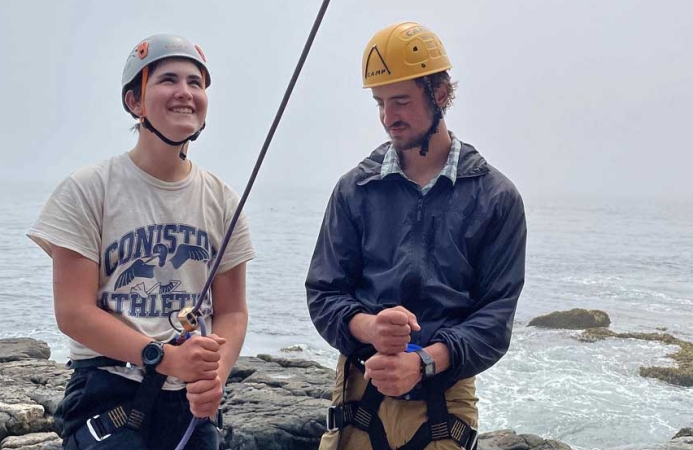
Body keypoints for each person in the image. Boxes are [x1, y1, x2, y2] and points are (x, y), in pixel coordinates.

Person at [28, 34, 255, 449]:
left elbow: (233, 311)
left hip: (187, 400)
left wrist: (214, 376)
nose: (185, 93)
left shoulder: (221, 199)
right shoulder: (88, 189)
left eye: (196, 83)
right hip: (108, 391)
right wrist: (166, 358)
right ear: (135, 101)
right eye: (169, 80)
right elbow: (73, 312)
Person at [306, 22, 526, 450]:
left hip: (446, 397)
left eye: (401, 100)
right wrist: (370, 328)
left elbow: (495, 319)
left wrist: (425, 361)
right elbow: (323, 292)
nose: (389, 117)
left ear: (440, 94)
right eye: (380, 103)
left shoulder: (496, 198)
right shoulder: (355, 189)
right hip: (359, 390)